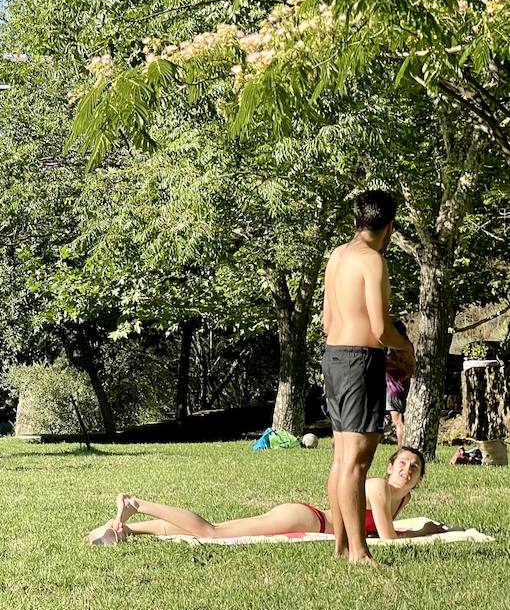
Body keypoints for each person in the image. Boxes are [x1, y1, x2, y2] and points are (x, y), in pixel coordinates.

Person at [321, 189, 414, 565]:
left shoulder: (338, 256)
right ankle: (358, 552)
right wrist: (405, 348)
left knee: (342, 457)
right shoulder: (372, 261)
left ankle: (342, 545)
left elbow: (328, 320)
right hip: (359, 362)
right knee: (357, 462)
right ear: (389, 227)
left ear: (357, 222)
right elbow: (379, 328)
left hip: (335, 357)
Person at [85, 447, 444, 544]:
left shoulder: (402, 500)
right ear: (390, 466)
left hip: (310, 518)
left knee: (215, 529)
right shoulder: (378, 487)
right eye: (402, 463)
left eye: (414, 469)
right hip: (309, 519)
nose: (406, 470)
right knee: (212, 532)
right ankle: (135, 502)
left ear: (418, 480)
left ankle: (128, 531)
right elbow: (387, 536)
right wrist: (426, 531)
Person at [386, 323, 414, 446]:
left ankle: (401, 447)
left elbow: (396, 365)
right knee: (399, 419)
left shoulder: (396, 347)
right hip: (402, 385)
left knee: (397, 421)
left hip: (393, 388)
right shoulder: (407, 346)